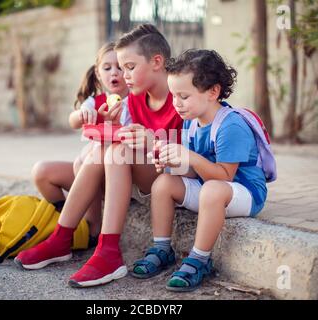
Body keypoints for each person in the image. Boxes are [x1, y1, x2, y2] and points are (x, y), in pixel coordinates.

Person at [130, 49, 268, 292]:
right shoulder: (191, 122)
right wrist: (174, 162)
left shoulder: (231, 125)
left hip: (244, 192)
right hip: (210, 187)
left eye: (183, 96)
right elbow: (195, 172)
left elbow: (225, 176)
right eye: (173, 96)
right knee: (163, 183)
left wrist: (190, 157)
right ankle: (162, 249)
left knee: (213, 190)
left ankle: (199, 259)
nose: (176, 103)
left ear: (213, 92)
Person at [67, 24, 183, 288]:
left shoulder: (182, 97)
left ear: (157, 61)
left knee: (117, 151)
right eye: (119, 67)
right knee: (98, 153)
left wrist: (154, 142)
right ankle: (64, 237)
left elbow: (194, 152)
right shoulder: (133, 101)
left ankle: (107, 250)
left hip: (173, 181)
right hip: (143, 176)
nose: (123, 74)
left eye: (129, 67)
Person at [15, 42, 129, 269]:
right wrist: (84, 113)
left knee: (90, 155)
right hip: (88, 171)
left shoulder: (134, 101)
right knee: (42, 171)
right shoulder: (95, 101)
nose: (114, 72)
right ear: (97, 73)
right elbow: (73, 120)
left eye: (121, 67)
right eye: (107, 68)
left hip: (116, 176)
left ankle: (91, 228)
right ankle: (71, 225)